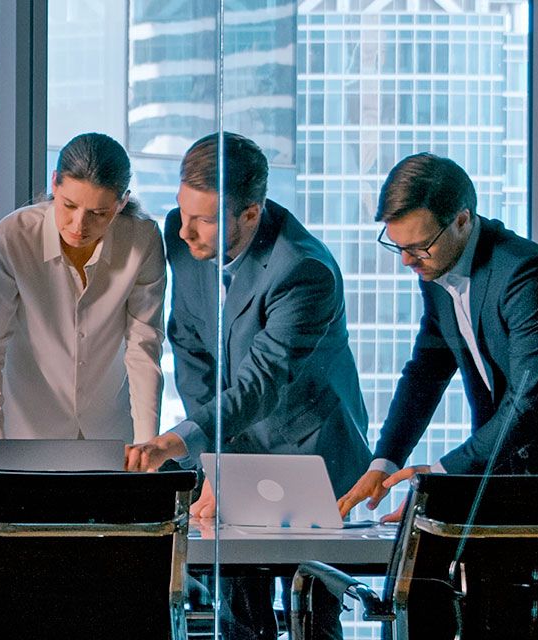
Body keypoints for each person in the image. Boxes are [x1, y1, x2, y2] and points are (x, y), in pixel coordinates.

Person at [335, 153, 538, 638]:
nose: (407, 261)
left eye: (419, 247)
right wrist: (384, 462)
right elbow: (426, 370)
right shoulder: (436, 270)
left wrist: (442, 474)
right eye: (397, 246)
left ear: (463, 220)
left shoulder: (530, 276)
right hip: (529, 466)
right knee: (496, 601)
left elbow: (531, 402)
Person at [124, 132, 371, 640]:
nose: (187, 233)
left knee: (311, 615)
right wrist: (211, 454)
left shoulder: (304, 269)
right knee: (237, 614)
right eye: (183, 212)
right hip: (231, 444)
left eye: (207, 220)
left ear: (252, 214)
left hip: (308, 453)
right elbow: (190, 346)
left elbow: (262, 381)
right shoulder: (180, 232)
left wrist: (179, 439)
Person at [0, 132, 166, 443]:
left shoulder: (143, 240)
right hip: (27, 433)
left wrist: (145, 445)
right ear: (55, 182)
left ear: (122, 201)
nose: (79, 225)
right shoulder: (13, 237)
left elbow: (144, 346)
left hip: (110, 430)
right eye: (69, 205)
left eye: (99, 214)